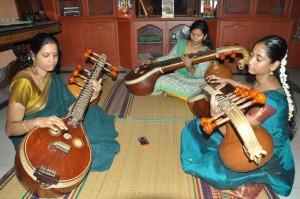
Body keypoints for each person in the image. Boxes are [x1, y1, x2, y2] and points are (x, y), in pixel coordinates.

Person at [180, 35, 296, 196]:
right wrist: (225, 80)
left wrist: (215, 114)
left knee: (217, 172)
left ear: (274, 65)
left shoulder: (271, 101)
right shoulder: (266, 79)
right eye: (252, 54)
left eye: (259, 59)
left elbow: (232, 135)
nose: (251, 61)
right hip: (251, 131)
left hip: (262, 151)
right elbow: (250, 89)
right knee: (197, 128)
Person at [0, 33, 120, 172]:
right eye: (46, 56)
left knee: (93, 114)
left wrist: (91, 97)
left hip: (57, 119)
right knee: (86, 151)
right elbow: (10, 129)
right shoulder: (23, 83)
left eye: (55, 55)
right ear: (33, 55)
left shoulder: (50, 75)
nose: (52, 61)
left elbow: (68, 106)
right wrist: (40, 121)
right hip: (34, 131)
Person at [144, 20, 214, 101]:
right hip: (179, 77)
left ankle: (173, 93)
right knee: (161, 80)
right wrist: (152, 61)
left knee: (201, 91)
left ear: (205, 36)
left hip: (196, 82)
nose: (195, 37)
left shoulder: (206, 52)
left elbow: (200, 75)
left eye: (199, 35)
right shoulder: (181, 44)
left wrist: (189, 66)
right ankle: (177, 94)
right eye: (193, 34)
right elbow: (169, 58)